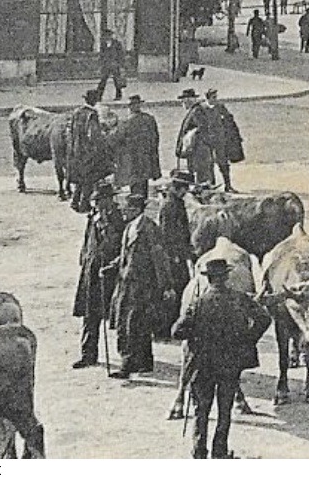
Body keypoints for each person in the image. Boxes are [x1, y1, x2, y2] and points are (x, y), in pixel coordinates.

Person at [171, 257, 273, 459]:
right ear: (226, 277)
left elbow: (176, 331)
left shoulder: (198, 303)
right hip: (230, 363)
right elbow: (264, 318)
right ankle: (220, 452)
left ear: (208, 279)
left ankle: (199, 451)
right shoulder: (240, 298)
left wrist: (195, 335)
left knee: (201, 409)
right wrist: (247, 338)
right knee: (225, 410)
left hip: (203, 365)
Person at [111, 191, 173, 379]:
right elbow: (127, 254)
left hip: (143, 286)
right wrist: (113, 265)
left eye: (127, 209)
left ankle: (127, 365)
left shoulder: (149, 228)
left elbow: (159, 258)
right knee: (134, 323)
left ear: (136, 209)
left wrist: (166, 285)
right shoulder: (130, 226)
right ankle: (144, 363)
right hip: (126, 282)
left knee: (131, 324)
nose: (123, 212)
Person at [72, 180, 124, 369]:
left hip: (108, 271)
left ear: (109, 200)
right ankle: (88, 354)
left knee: (118, 314)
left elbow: (118, 244)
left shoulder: (117, 219)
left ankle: (127, 356)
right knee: (89, 313)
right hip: (91, 270)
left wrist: (106, 229)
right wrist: (84, 258)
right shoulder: (93, 217)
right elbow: (87, 241)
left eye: (99, 200)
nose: (95, 204)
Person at [109, 94, 161, 199]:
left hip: (133, 159)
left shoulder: (126, 122)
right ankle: (143, 203)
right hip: (146, 159)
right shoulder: (149, 119)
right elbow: (155, 138)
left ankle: (137, 206)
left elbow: (115, 139)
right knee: (143, 184)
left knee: (135, 186)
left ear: (131, 107)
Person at [175, 89, 218, 187]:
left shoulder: (196, 111)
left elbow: (202, 129)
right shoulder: (194, 110)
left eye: (184, 100)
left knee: (202, 178)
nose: (183, 103)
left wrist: (190, 138)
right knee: (199, 177)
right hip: (197, 150)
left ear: (189, 100)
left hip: (199, 150)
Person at [205, 88, 245, 193]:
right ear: (208, 98)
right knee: (209, 164)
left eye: (216, 97)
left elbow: (229, 120)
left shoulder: (220, 107)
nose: (216, 99)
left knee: (223, 163)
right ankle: (211, 185)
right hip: (208, 141)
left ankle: (228, 185)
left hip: (220, 140)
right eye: (213, 97)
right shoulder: (203, 109)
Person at [98, 29, 127, 100]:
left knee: (117, 81)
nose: (107, 37)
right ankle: (99, 96)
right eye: (105, 36)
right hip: (106, 65)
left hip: (115, 64)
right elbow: (102, 55)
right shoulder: (103, 44)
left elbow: (121, 55)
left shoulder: (117, 43)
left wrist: (121, 65)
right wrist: (102, 64)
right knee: (103, 81)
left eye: (108, 35)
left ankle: (118, 95)